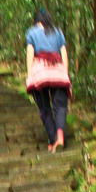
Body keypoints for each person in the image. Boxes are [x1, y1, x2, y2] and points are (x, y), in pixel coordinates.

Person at [25, 8, 72, 151]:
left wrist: (30, 75)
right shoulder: (58, 32)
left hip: (40, 71)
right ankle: (60, 138)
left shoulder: (31, 32)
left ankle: (52, 141)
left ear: (36, 21)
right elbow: (64, 54)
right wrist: (65, 74)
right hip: (58, 70)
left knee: (45, 108)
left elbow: (30, 55)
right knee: (60, 107)